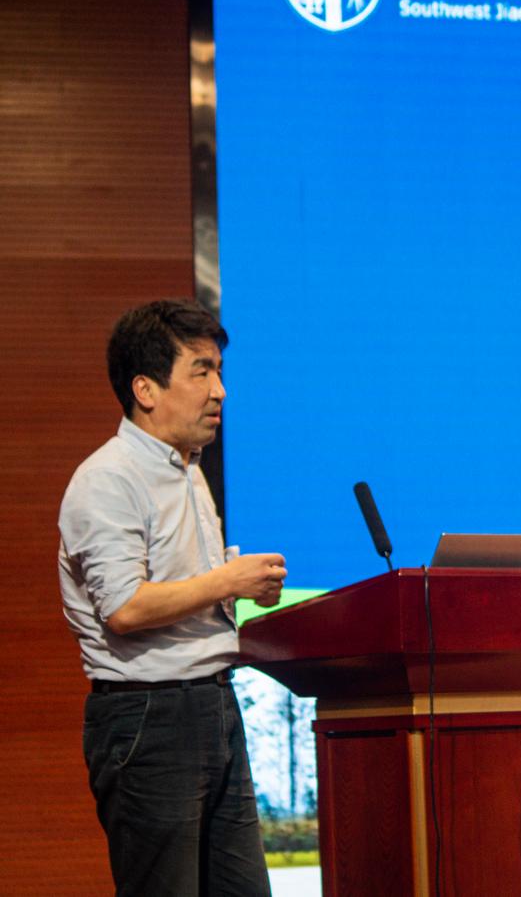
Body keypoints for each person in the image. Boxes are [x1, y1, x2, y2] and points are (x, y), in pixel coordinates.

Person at [58, 300, 286, 896]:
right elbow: (125, 608)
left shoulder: (188, 471)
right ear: (146, 389)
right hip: (148, 720)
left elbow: (186, 588)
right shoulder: (108, 479)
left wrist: (240, 585)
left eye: (219, 372)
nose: (220, 391)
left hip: (216, 705)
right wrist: (227, 582)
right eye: (201, 371)